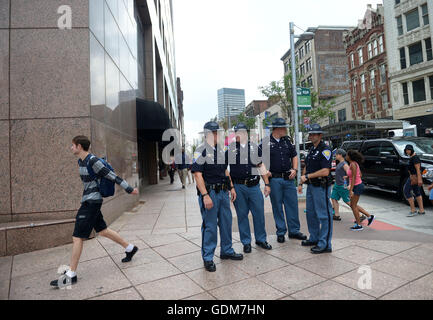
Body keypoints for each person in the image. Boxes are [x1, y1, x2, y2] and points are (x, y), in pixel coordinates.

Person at [50, 136, 139, 288]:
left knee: (77, 237)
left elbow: (113, 176)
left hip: (92, 203)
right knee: (103, 231)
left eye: (72, 145)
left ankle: (71, 274)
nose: (71, 148)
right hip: (88, 200)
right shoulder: (81, 161)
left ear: (79, 146)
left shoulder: (93, 161)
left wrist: (129, 189)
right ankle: (130, 248)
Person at [191, 122, 243, 272]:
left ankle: (226, 250)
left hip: (223, 192)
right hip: (210, 193)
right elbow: (197, 174)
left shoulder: (220, 150)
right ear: (208, 134)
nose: (218, 135)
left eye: (217, 132)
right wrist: (205, 195)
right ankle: (208, 257)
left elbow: (225, 171)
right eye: (215, 133)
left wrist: (231, 187)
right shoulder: (200, 150)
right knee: (210, 226)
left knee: (226, 223)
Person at [227, 123, 272, 253]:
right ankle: (246, 242)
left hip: (254, 187)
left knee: (259, 214)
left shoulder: (254, 147)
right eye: (236, 132)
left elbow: (260, 165)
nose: (237, 134)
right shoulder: (230, 149)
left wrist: (267, 184)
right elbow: (224, 170)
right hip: (238, 187)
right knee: (242, 215)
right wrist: (231, 187)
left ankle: (261, 239)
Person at [263, 118, 306, 243]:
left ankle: (294, 231)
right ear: (278, 129)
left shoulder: (287, 141)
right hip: (275, 180)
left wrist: (295, 169)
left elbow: (295, 155)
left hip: (288, 179)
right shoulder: (266, 142)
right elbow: (260, 160)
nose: (286, 130)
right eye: (285, 128)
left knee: (292, 205)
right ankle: (281, 232)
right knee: (277, 207)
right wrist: (266, 172)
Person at [298, 124, 333, 254]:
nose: (311, 136)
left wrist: (307, 176)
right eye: (310, 134)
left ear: (320, 135)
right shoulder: (312, 149)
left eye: (314, 134)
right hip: (311, 186)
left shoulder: (325, 150)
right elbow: (307, 165)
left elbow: (325, 171)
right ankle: (315, 238)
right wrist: (302, 181)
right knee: (311, 214)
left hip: (321, 186)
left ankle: (325, 244)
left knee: (324, 215)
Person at [331, 149, 370, 222]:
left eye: (336, 154)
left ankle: (361, 215)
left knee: (349, 203)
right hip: (337, 184)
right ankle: (336, 215)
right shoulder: (340, 163)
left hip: (343, 185)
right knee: (333, 198)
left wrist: (349, 185)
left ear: (340, 155)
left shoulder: (345, 164)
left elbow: (352, 175)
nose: (335, 156)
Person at [346, 150, 375, 231]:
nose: (346, 156)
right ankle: (369, 216)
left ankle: (359, 225)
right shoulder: (353, 164)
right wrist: (348, 177)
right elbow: (359, 175)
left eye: (347, 155)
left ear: (350, 157)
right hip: (357, 185)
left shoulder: (353, 164)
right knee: (352, 205)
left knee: (353, 206)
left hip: (357, 186)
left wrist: (351, 190)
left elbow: (355, 177)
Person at [404, 145, 426, 217]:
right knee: (417, 192)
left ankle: (413, 210)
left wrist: (419, 180)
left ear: (411, 150)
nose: (407, 151)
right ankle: (421, 210)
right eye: (406, 150)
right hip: (412, 176)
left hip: (414, 177)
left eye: (408, 150)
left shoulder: (415, 158)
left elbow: (418, 170)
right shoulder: (412, 157)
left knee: (406, 191)